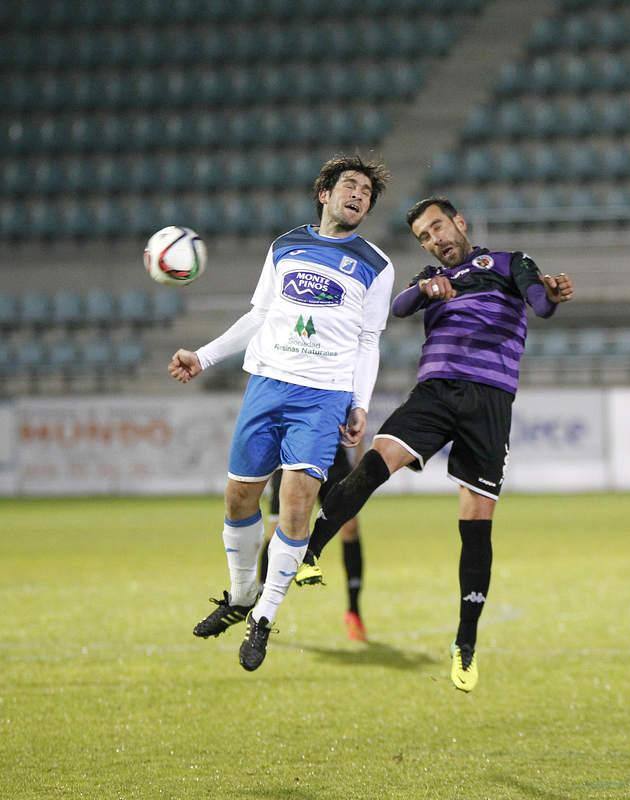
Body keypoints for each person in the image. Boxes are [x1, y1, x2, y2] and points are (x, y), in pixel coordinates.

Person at [294, 196, 574, 692]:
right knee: (375, 466)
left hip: (489, 402)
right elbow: (401, 307)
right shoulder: (428, 277)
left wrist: (550, 291)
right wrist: (427, 288)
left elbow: (541, 303)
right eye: (424, 235)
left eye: (439, 227)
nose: (435, 239)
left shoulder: (509, 263)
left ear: (459, 223)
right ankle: (310, 549)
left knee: (476, 520)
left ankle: (465, 643)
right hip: (437, 391)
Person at [169, 155, 393, 671]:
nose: (358, 195)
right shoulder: (285, 245)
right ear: (325, 193)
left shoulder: (375, 263)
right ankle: (243, 593)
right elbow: (260, 316)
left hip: (323, 395)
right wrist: (202, 357)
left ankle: (263, 618)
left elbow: (369, 340)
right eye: (350, 186)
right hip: (267, 384)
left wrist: (360, 402)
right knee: (239, 497)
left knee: (296, 505)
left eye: (366, 192)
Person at [262, 444, 367, 642]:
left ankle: (354, 612)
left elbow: (355, 418)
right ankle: (260, 609)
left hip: (333, 454)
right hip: (294, 454)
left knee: (350, 525)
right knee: (277, 529)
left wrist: (358, 458)